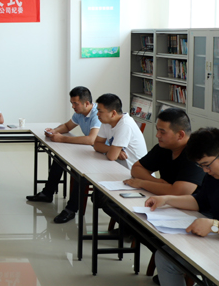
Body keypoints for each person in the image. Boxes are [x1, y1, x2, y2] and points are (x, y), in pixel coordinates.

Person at [146, 127, 219, 286]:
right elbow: (200, 201)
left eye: (207, 165)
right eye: (201, 166)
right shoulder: (215, 175)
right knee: (165, 257)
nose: (205, 171)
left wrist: (214, 226)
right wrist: (167, 199)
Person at [51, 93, 148, 224]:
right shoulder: (107, 122)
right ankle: (70, 209)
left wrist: (112, 151)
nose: (97, 114)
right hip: (116, 168)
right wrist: (112, 149)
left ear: (113, 113)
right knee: (83, 174)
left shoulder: (125, 125)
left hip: (131, 174)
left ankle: (130, 227)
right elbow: (97, 145)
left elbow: (111, 156)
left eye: (100, 111)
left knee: (95, 193)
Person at [26, 87, 101, 219]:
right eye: (72, 103)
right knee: (59, 158)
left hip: (101, 154)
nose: (73, 106)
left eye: (75, 103)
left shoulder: (96, 115)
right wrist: (54, 131)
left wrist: (62, 139)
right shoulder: (80, 112)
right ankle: (47, 193)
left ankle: (71, 209)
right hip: (90, 150)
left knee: (79, 171)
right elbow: (67, 126)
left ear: (87, 103)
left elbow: (91, 140)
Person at [123, 108, 204, 195]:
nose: (157, 135)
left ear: (180, 135)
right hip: (164, 199)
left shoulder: (195, 153)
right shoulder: (164, 147)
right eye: (157, 130)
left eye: (162, 132)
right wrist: (157, 182)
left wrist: (142, 183)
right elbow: (136, 169)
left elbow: (179, 192)